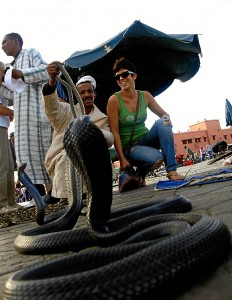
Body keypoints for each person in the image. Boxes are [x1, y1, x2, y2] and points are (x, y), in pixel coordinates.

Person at [42, 62, 114, 204]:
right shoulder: (67, 111)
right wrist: (51, 82)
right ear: (76, 95)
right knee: (67, 159)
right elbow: (52, 108)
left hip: (91, 156)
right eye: (82, 92)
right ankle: (67, 197)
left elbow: (109, 139)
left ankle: (91, 194)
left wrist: (89, 130)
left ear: (94, 94)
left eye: (89, 91)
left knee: (99, 158)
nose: (87, 94)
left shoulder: (101, 118)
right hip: (64, 155)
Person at [107, 57, 184, 187]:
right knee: (157, 158)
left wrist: (167, 119)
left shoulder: (145, 96)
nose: (121, 79)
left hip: (147, 140)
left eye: (124, 74)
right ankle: (141, 173)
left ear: (134, 76)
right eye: (117, 77)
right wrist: (122, 159)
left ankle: (171, 171)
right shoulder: (114, 100)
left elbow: (164, 114)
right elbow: (114, 131)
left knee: (162, 122)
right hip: (131, 148)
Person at [0, 33, 53, 196]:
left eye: (5, 42)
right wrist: (1, 83)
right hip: (22, 124)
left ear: (16, 41)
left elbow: (45, 72)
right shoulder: (10, 67)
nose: (2, 46)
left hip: (38, 117)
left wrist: (21, 73)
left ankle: (57, 196)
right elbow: (11, 97)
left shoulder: (30, 53)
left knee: (47, 158)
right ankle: (40, 200)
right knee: (25, 164)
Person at [0, 61, 19, 210]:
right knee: (2, 166)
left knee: (9, 166)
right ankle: (2, 204)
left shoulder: (2, 87)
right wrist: (14, 113)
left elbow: (15, 98)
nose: (2, 74)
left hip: (3, 127)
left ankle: (11, 202)